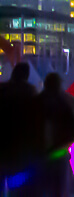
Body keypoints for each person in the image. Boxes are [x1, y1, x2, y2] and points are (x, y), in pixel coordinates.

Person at [0, 62, 40, 194]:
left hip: (4, 140)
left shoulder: (2, 88)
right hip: (21, 144)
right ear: (26, 75)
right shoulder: (30, 91)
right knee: (19, 182)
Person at [38, 73, 74, 197]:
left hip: (39, 152)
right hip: (60, 151)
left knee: (40, 186)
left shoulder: (36, 101)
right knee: (59, 187)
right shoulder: (67, 102)